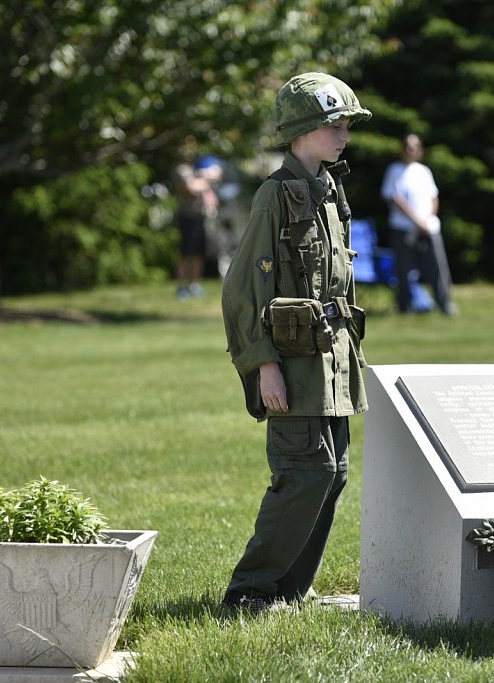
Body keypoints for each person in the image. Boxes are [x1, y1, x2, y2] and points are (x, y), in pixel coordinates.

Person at [220, 72, 372, 613]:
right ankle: (250, 592)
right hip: (292, 361)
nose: (345, 135)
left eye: (347, 125)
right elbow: (242, 291)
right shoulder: (274, 196)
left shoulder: (330, 191)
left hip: (331, 360)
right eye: (337, 124)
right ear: (304, 130)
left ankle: (288, 591)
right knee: (304, 474)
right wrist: (263, 365)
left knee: (332, 476)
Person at [381, 133, 455, 314]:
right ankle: (404, 307)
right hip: (403, 228)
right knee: (404, 269)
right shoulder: (394, 170)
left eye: (414, 146)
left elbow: (433, 197)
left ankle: (444, 304)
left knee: (437, 267)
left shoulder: (424, 171)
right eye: (407, 146)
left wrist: (427, 220)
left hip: (429, 228)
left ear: (420, 150)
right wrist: (416, 221)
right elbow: (395, 199)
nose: (410, 150)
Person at [173, 156, 223, 299]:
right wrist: (207, 178)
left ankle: (194, 285)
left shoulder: (199, 166)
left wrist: (204, 177)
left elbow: (219, 173)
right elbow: (191, 187)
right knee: (185, 253)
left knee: (199, 253)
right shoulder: (181, 169)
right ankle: (181, 287)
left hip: (202, 217)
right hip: (187, 216)